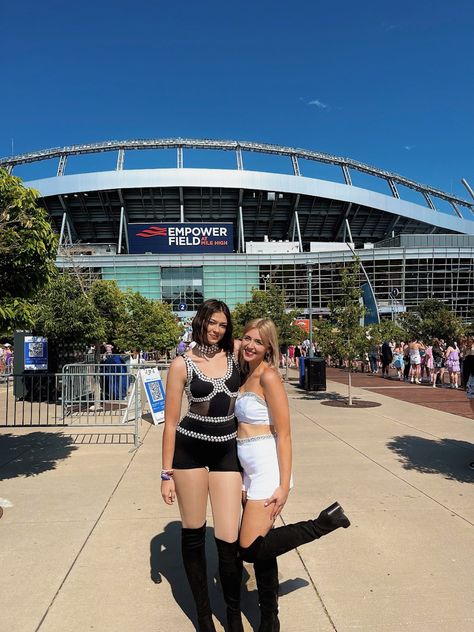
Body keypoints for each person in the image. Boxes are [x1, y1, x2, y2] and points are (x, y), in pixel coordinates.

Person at [236, 318, 350, 631]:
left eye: (258, 342)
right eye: (247, 338)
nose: (250, 345)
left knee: (249, 548)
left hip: (269, 470)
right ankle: (270, 620)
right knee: (263, 546)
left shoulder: (269, 376)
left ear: (269, 347)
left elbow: (284, 434)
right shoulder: (245, 373)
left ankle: (323, 523)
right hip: (249, 471)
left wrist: (284, 485)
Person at [161, 299, 243, 632]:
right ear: (200, 322)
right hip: (189, 451)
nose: (217, 329)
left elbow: (262, 349)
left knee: (227, 536)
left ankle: (233, 615)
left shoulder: (237, 354)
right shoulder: (181, 363)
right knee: (193, 533)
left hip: (227, 450)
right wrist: (166, 474)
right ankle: (203, 615)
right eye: (212, 322)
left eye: (223, 324)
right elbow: (169, 423)